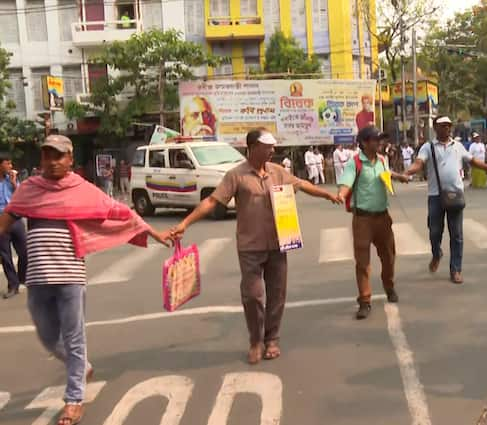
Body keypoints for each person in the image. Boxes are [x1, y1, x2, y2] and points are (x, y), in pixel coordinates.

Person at [0, 135, 170, 425]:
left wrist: (155, 234)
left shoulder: (82, 190)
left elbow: (122, 212)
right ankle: (83, 367)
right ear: (41, 159)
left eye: (59, 156)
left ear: (70, 160)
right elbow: (6, 221)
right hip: (38, 277)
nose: (52, 162)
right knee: (47, 337)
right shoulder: (29, 189)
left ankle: (74, 400)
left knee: (74, 339)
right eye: (47, 156)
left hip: (70, 277)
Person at [169, 129, 341, 365]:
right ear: (252, 147)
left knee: (277, 294)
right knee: (252, 296)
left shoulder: (278, 172)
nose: (272, 150)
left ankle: (272, 339)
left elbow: (301, 184)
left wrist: (327, 195)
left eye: (272, 147)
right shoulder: (236, 176)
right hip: (250, 246)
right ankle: (255, 341)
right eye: (267, 146)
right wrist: (185, 223)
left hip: (279, 242)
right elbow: (212, 200)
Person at [403, 116, 487, 284]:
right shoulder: (428, 147)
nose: (447, 129)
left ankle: (456, 269)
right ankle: (437, 254)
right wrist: (407, 172)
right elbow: (418, 163)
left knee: (457, 235)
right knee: (434, 231)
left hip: (456, 195)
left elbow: (474, 162)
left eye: (449, 126)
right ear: (436, 128)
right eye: (444, 126)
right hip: (436, 196)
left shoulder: (458, 146)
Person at [336, 126, 409, 319]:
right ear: (365, 143)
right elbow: (346, 182)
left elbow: (386, 173)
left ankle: (389, 286)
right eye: (376, 140)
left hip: (383, 218)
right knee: (363, 262)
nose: (380, 143)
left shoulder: (382, 160)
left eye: (381, 140)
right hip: (363, 219)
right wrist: (340, 195)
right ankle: (365, 300)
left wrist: (398, 176)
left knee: (389, 256)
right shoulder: (355, 163)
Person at [0, 155, 27, 299]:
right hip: (0, 221)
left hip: (15, 218)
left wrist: (14, 183)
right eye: (7, 163)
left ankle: (22, 279)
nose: (10, 166)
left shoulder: (13, 179)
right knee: (5, 256)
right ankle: (13, 285)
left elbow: (21, 197)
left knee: (24, 251)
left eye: (11, 163)